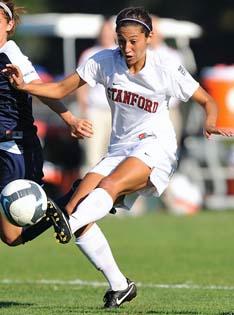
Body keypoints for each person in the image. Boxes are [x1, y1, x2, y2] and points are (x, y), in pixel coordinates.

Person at [4, 6, 233, 309]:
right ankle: (120, 285)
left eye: (134, 41)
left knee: (104, 190)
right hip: (120, 148)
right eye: (121, 41)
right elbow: (60, 88)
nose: (127, 48)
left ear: (149, 38)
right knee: (76, 206)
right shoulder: (104, 61)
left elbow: (205, 99)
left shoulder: (165, 67)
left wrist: (209, 121)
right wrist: (24, 86)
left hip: (157, 146)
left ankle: (68, 224)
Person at [0, 1, 93, 247]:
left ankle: (68, 201)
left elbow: (43, 91)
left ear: (9, 25)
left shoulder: (11, 55)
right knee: (10, 237)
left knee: (11, 237)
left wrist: (70, 119)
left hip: (14, 147)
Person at [76, 18, 116, 174]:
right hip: (95, 110)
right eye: (103, 32)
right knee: (92, 156)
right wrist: (83, 109)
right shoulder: (90, 54)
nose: (105, 35)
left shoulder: (119, 53)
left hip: (115, 112)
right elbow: (81, 86)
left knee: (115, 156)